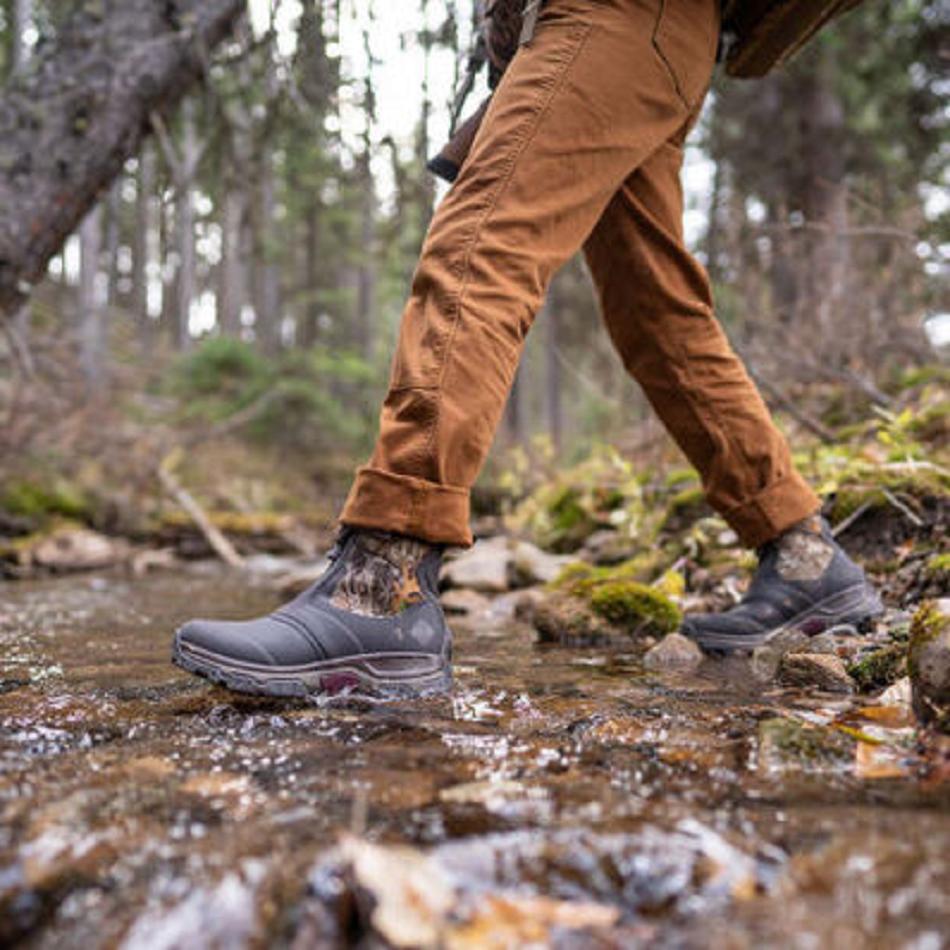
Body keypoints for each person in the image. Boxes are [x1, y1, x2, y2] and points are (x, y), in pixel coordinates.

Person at [171, 0, 881, 698]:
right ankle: (801, 553)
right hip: (668, 36)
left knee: (480, 244)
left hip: (614, 17)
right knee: (658, 314)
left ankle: (383, 581)